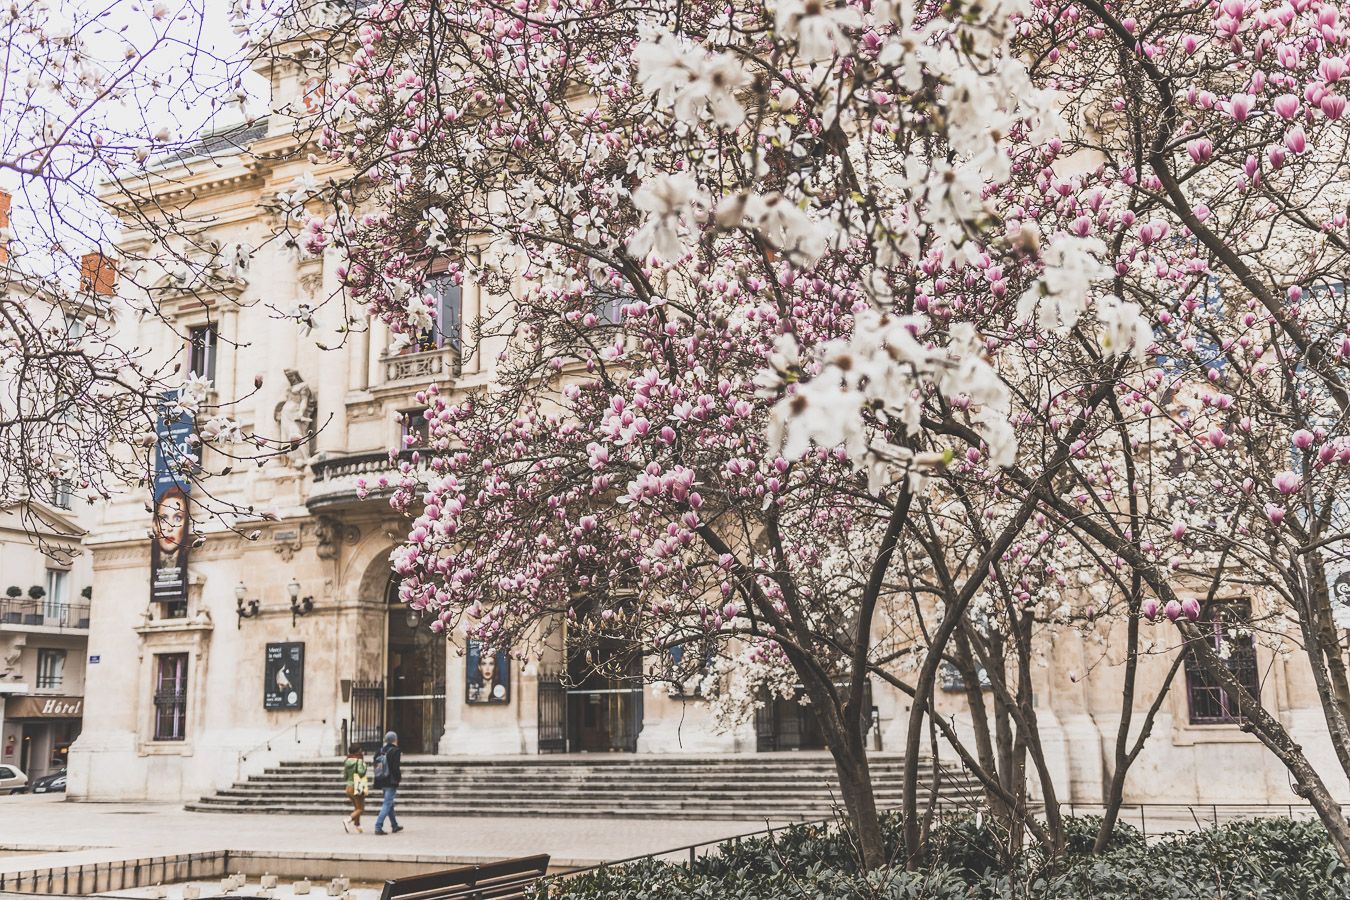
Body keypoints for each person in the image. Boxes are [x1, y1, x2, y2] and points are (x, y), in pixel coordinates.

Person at [372, 731, 403, 835]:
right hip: (391, 780)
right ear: (395, 739)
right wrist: (398, 778)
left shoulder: (380, 750)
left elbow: (375, 764)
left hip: (381, 779)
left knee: (390, 804)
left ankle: (394, 825)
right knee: (387, 803)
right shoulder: (395, 750)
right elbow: (395, 768)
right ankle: (378, 826)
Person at [342, 744, 367, 833]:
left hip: (348, 787)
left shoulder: (347, 761)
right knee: (360, 808)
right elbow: (361, 773)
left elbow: (345, 776)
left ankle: (357, 825)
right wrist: (364, 766)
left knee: (357, 807)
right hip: (357, 786)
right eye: (360, 750)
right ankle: (347, 820)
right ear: (358, 751)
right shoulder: (359, 761)